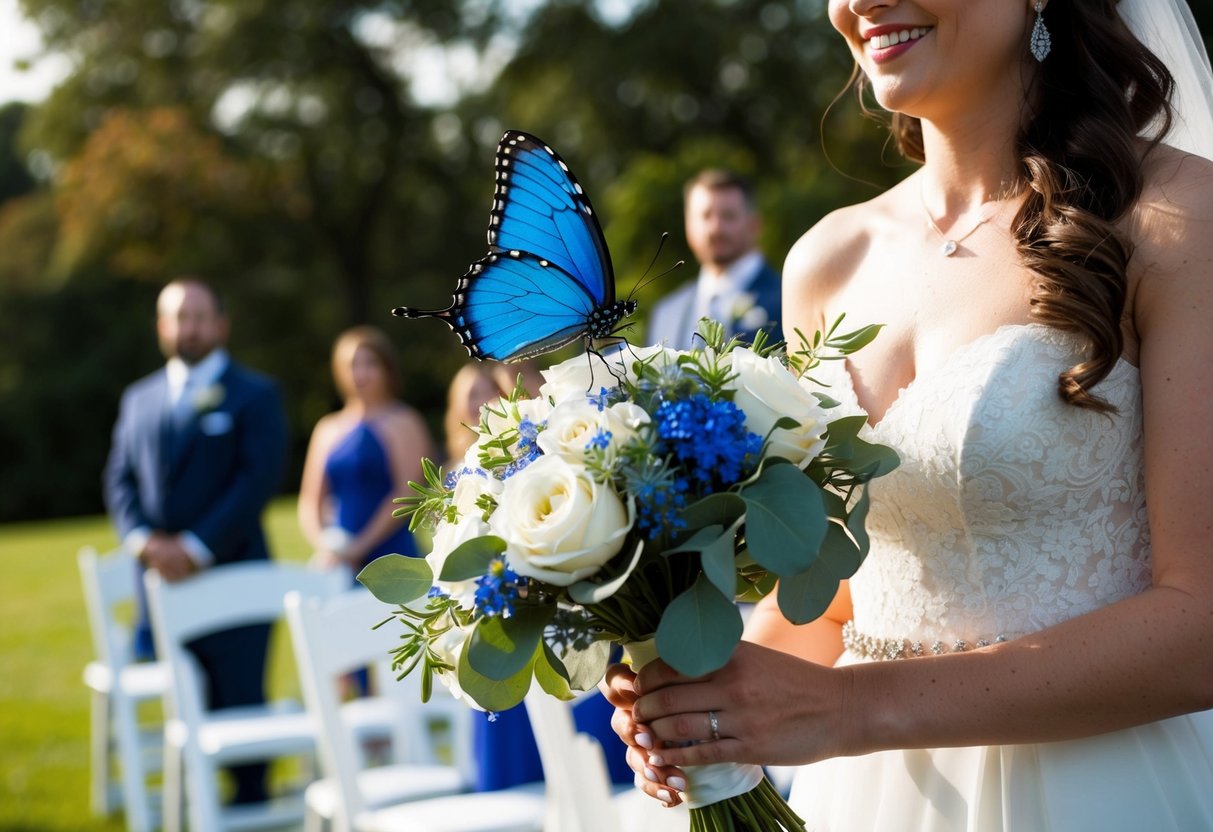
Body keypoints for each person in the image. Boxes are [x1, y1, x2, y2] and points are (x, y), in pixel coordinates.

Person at [606, 1, 1213, 829]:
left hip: (1100, 785)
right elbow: (836, 597)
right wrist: (703, 697)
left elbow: (1201, 625)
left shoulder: (1176, 218)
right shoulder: (827, 260)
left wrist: (851, 708)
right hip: (871, 799)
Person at [104, 277, 288, 805]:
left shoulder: (255, 394)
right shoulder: (137, 399)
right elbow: (119, 479)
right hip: (158, 586)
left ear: (221, 324)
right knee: (181, 706)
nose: (189, 327)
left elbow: (256, 480)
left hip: (234, 574)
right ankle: (191, 805)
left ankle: (251, 802)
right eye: (178, 317)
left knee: (239, 701)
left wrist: (195, 546)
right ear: (162, 326)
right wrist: (142, 541)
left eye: (199, 316)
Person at [298, 326, 433, 575]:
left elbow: (407, 493)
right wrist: (328, 549)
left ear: (386, 368)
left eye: (370, 364)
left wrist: (359, 547)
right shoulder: (326, 428)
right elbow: (310, 500)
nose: (360, 373)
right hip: (339, 562)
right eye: (351, 365)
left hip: (392, 554)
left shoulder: (405, 422)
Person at [646, 169, 783, 350]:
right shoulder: (666, 312)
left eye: (728, 216)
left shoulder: (786, 299)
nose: (715, 228)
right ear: (688, 224)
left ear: (754, 224)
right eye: (705, 215)